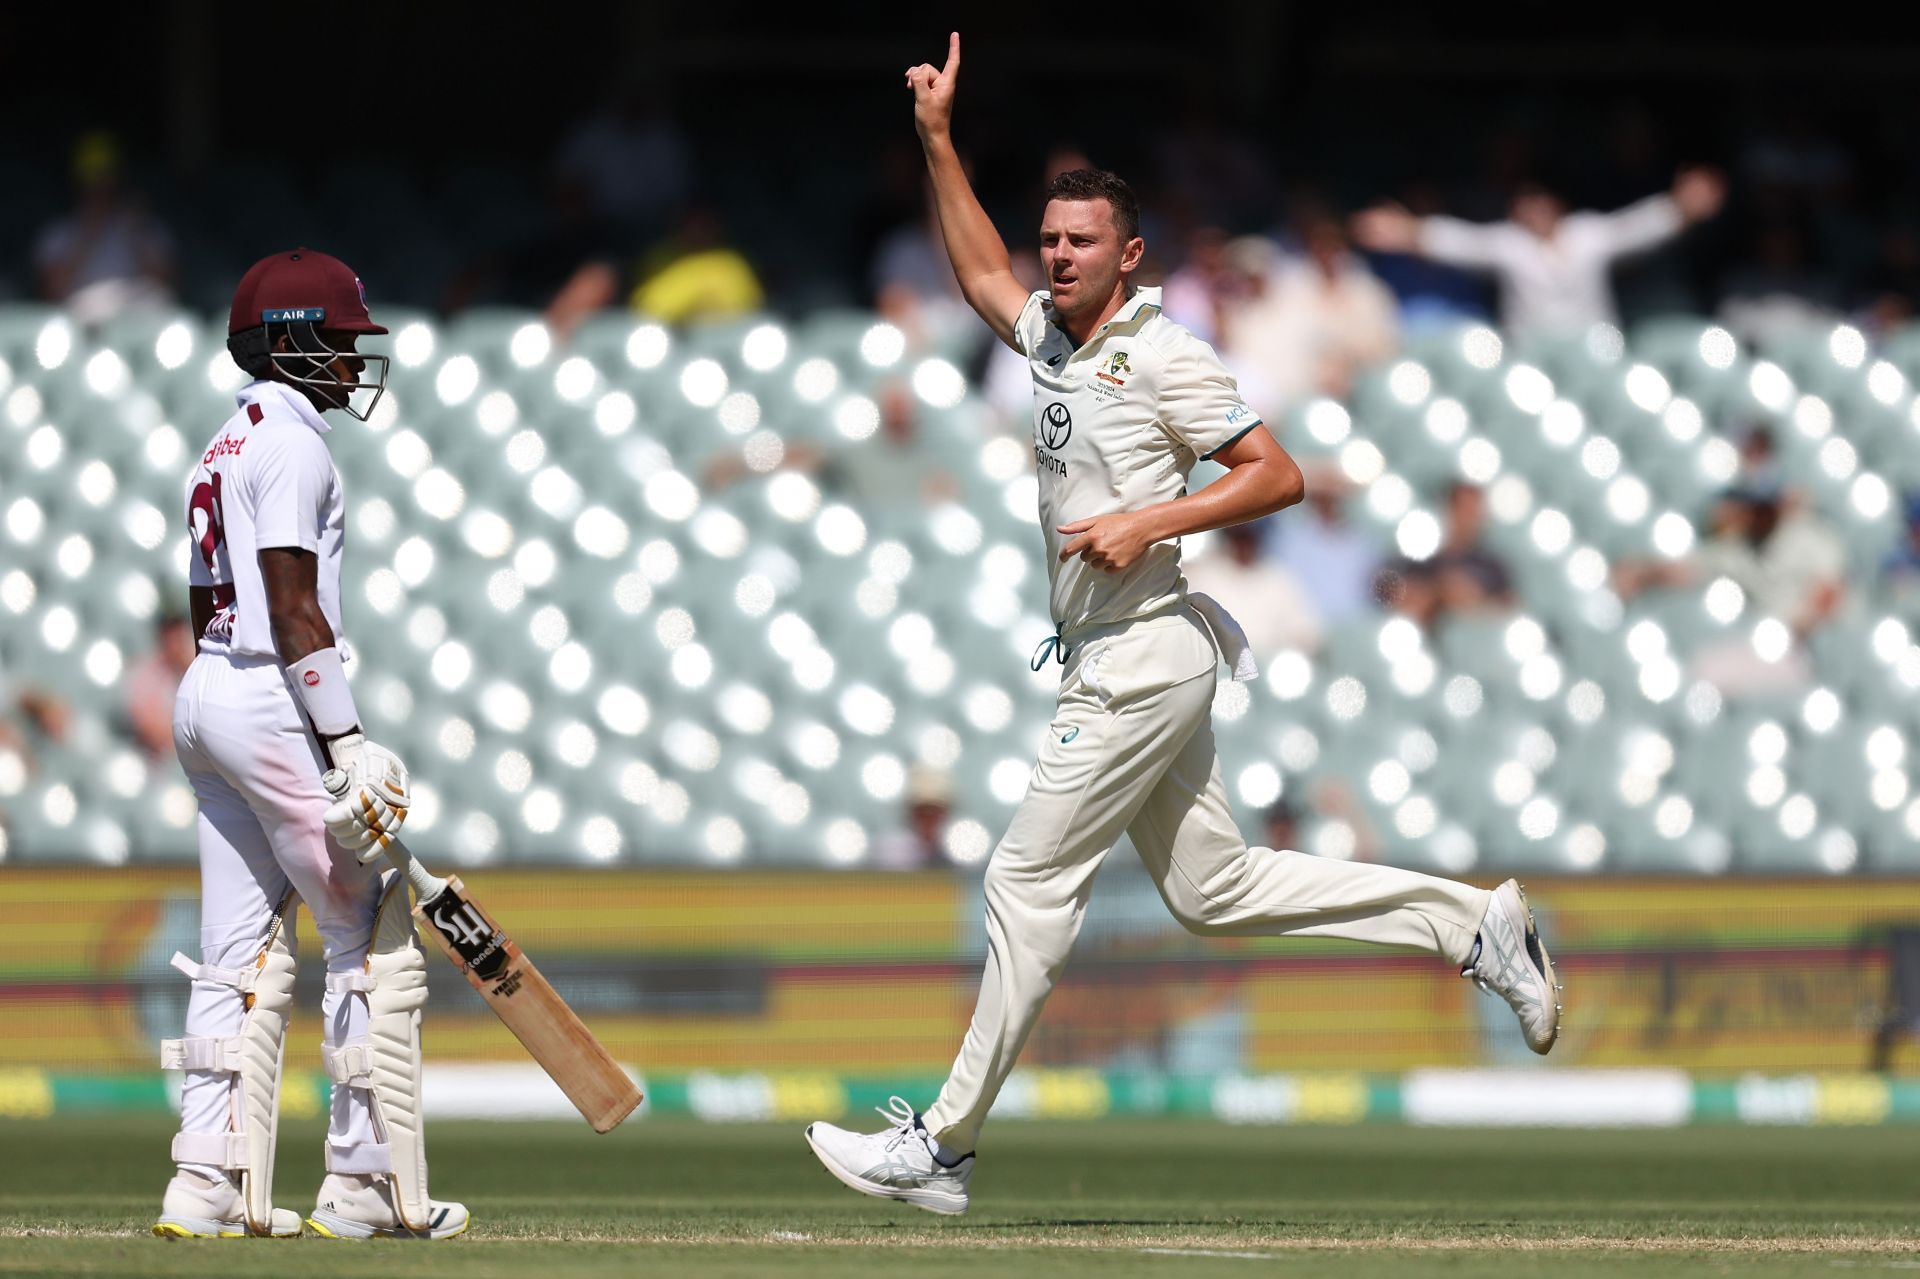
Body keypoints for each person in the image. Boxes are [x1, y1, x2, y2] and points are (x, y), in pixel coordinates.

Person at [804, 35, 1564, 1217]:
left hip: (1145, 650)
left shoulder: (1164, 358)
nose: (1055, 257)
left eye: (1079, 242)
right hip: (1117, 653)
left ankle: (942, 1145)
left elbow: (1278, 474)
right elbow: (975, 276)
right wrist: (939, 141)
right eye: (1050, 238)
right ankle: (1475, 923)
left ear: (1132, 254)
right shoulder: (1054, 336)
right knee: (1215, 891)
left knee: (1023, 876)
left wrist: (1147, 516)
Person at [154, 249, 465, 1241]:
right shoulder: (294, 444)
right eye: (339, 339)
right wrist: (346, 740)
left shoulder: (224, 440)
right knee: (364, 929)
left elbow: (210, 599)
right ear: (291, 338)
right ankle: (362, 1184)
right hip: (267, 691)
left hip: (206, 691)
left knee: (233, 955)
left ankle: (203, 1185)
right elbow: (291, 605)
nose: (352, 357)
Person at [1351, 169, 1725, 339]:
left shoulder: (1587, 233)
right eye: (1525, 202)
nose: (1533, 210)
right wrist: (1410, 230)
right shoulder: (1510, 242)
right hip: (1531, 357)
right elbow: (1463, 241)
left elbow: (1636, 228)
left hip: (1592, 349)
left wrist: (1681, 208)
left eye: (1540, 200)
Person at [32, 132, 175, 325]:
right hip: (83, 315)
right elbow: (52, 294)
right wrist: (89, 233)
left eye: (106, 177)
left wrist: (137, 233)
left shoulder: (143, 225)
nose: (101, 188)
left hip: (136, 309)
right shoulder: (59, 232)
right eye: (94, 180)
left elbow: (166, 285)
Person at [1181, 521, 1323, 657]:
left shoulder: (1277, 578)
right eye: (1238, 537)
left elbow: (1306, 630)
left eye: (1248, 536)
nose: (1243, 545)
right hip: (1221, 669)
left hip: (1269, 671)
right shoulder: (1204, 576)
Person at [125, 612, 198, 761]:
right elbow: (150, 729)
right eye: (172, 640)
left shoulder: (202, 671)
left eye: (180, 639)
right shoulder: (145, 674)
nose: (177, 647)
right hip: (158, 758)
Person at [872, 765, 955, 870]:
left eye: (935, 812)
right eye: (923, 812)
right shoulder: (890, 851)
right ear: (912, 813)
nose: (929, 819)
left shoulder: (952, 852)